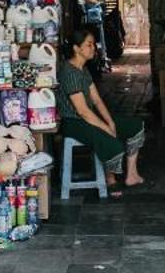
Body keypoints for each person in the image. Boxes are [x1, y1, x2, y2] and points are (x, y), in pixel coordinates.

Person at [58, 29, 143, 193]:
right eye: (88, 45)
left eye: (93, 44)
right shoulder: (69, 72)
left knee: (135, 126)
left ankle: (132, 174)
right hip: (74, 122)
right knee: (111, 141)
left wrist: (110, 122)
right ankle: (110, 180)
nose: (93, 48)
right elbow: (82, 111)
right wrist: (106, 128)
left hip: (88, 118)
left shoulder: (83, 70)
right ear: (77, 49)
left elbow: (96, 100)